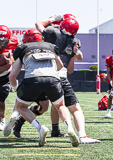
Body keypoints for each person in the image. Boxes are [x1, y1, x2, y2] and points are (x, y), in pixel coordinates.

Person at [4, 29, 80, 147]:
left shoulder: (22, 48)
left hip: (33, 79)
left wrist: (15, 88)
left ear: (25, 40)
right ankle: (70, 127)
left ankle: (40, 127)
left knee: (21, 107)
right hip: (53, 79)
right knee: (60, 106)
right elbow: (60, 66)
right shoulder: (51, 47)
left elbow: (12, 76)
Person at [33, 14, 101, 144]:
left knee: (25, 104)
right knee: (74, 108)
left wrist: (53, 18)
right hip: (60, 77)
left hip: (40, 75)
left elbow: (38, 24)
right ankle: (82, 136)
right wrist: (76, 54)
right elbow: (73, 66)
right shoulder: (74, 42)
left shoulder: (52, 33)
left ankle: (18, 122)